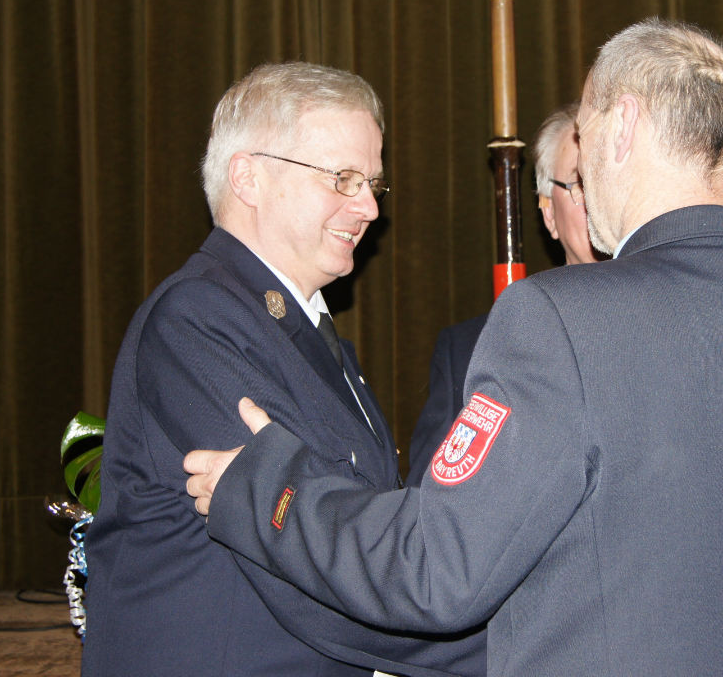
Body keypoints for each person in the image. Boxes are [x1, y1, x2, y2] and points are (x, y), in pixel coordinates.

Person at [186, 20, 723, 675]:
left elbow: (437, 567)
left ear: (625, 125)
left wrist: (269, 490)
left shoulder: (558, 320)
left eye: (583, 128)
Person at [83, 62, 481, 676]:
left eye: (373, 182)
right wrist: (511, 642)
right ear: (248, 177)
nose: (369, 206)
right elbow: (307, 561)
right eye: (343, 178)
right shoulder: (198, 318)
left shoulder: (300, 330)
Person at [406, 103, 602, 486]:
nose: (599, 202)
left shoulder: (683, 323)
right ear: (548, 212)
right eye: (581, 184)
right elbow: (430, 509)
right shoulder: (471, 352)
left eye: (610, 180)